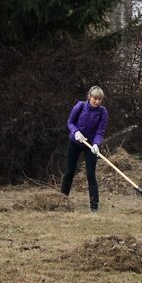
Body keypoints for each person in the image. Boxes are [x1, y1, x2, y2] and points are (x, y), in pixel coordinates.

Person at [61, 85, 109, 213]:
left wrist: (96, 144)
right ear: (89, 97)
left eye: (100, 99)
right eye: (95, 98)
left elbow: (100, 131)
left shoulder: (103, 112)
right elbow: (70, 122)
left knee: (90, 174)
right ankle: (62, 201)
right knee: (69, 172)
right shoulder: (80, 106)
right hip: (75, 142)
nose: (97, 102)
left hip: (90, 146)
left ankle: (94, 208)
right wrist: (76, 132)